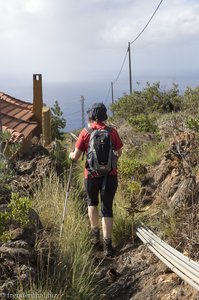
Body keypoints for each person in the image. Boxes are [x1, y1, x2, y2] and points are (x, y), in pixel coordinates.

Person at [69, 102, 123, 256]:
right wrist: (110, 161)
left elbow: (76, 156)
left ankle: (95, 238)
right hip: (110, 176)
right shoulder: (112, 132)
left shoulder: (85, 132)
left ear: (91, 116)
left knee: (92, 202)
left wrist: (70, 155)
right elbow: (119, 153)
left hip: (91, 176)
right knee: (107, 208)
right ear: (104, 116)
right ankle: (108, 246)